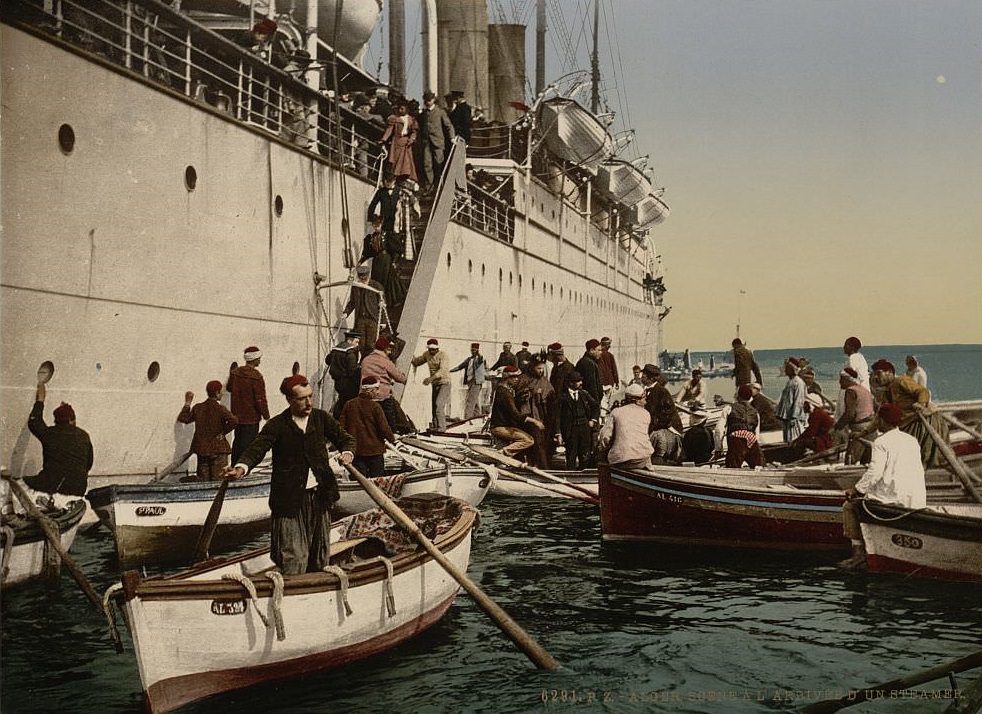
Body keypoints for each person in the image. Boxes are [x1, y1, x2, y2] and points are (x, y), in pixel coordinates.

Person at [227, 375, 354, 575]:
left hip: (320, 497)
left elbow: (345, 439)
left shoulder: (321, 419)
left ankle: (316, 591)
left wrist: (347, 453)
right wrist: (241, 467)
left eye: (310, 396)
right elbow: (257, 449)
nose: (309, 402)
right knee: (293, 557)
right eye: (302, 398)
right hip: (288, 500)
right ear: (289, 400)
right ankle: (292, 589)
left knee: (320, 554)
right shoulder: (277, 425)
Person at [839, 403, 926, 569]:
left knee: (849, 506)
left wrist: (856, 490)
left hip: (891, 498)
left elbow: (875, 472)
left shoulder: (881, 442)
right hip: (914, 499)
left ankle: (858, 554)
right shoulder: (911, 440)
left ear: (882, 421)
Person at [10, 381, 93, 510]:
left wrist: (40, 400)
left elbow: (34, 422)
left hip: (53, 485)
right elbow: (88, 464)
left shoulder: (49, 433)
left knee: (18, 484)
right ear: (73, 420)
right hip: (78, 489)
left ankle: (23, 514)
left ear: (56, 421)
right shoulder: (84, 436)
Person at [871, 359, 948, 467]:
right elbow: (880, 416)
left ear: (889, 372)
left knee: (924, 456)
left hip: (924, 423)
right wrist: (862, 433)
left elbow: (922, 391)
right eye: (874, 375)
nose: (876, 378)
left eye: (879, 373)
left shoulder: (901, 380)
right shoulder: (886, 393)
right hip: (909, 424)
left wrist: (921, 404)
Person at [177, 380, 238, 482]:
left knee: (203, 482)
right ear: (217, 393)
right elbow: (234, 421)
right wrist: (223, 433)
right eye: (221, 391)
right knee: (219, 481)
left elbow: (184, 418)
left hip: (202, 450)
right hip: (219, 450)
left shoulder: (198, 408)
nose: (222, 393)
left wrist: (188, 403)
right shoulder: (220, 409)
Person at [340, 376, 394, 478]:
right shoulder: (375, 407)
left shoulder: (349, 404)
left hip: (357, 451)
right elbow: (384, 429)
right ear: (370, 390)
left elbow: (341, 428)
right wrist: (392, 439)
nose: (378, 392)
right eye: (376, 389)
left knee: (359, 480)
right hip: (375, 452)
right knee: (377, 480)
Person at [227, 345, 270, 463]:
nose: (260, 361)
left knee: (237, 443)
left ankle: (234, 466)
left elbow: (229, 388)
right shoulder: (256, 377)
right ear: (254, 359)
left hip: (237, 417)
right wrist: (266, 416)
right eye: (259, 358)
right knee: (249, 446)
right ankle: (243, 470)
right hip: (251, 418)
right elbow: (260, 399)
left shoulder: (235, 373)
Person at [489, 365, 542, 459]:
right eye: (513, 377)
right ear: (506, 378)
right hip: (501, 428)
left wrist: (518, 399)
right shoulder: (505, 393)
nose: (517, 379)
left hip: (498, 426)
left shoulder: (503, 389)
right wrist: (535, 421)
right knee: (528, 440)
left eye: (518, 377)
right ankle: (501, 454)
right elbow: (515, 415)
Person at [597, 384, 653, 470]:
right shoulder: (646, 414)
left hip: (621, 459)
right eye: (644, 398)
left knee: (602, 458)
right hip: (642, 458)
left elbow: (605, 437)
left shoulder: (616, 412)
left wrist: (604, 449)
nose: (645, 401)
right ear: (637, 400)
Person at [360, 336, 409, 433]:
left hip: (366, 394)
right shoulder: (385, 361)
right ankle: (393, 434)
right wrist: (404, 378)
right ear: (386, 349)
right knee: (389, 418)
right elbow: (399, 377)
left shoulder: (366, 359)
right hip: (382, 395)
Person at [516, 355, 557, 468]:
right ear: (532, 367)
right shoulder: (523, 379)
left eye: (542, 368)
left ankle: (540, 465)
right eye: (538, 368)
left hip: (543, 418)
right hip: (529, 418)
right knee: (536, 444)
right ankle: (543, 467)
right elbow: (519, 402)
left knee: (545, 443)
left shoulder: (544, 381)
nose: (541, 371)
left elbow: (551, 397)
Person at [832, 367, 876, 465]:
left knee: (851, 461)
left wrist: (837, 427)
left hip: (859, 429)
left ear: (847, 379)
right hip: (871, 428)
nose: (839, 382)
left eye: (841, 379)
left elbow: (849, 414)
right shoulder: (864, 390)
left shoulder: (851, 391)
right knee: (867, 462)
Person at [556, 372, 599, 470]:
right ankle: (571, 474)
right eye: (578, 381)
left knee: (585, 454)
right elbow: (557, 417)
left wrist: (593, 419)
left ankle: (584, 472)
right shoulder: (562, 397)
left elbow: (595, 406)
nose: (580, 383)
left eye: (580, 381)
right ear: (570, 383)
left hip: (584, 428)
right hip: (570, 430)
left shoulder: (584, 394)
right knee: (571, 454)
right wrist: (558, 433)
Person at [343, 265, 385, 357]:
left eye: (364, 277)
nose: (362, 279)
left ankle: (368, 362)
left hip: (372, 319)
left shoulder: (376, 286)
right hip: (360, 320)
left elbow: (382, 305)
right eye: (361, 277)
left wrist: (382, 322)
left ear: (368, 275)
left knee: (371, 344)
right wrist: (346, 313)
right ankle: (362, 361)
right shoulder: (356, 287)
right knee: (361, 344)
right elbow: (352, 302)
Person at [410, 338, 452, 431]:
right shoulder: (426, 354)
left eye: (434, 349)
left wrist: (430, 379)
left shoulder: (443, 355)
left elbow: (442, 371)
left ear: (437, 349)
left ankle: (442, 427)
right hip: (435, 384)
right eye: (430, 349)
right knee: (434, 408)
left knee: (438, 405)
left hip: (444, 383)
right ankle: (435, 426)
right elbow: (417, 362)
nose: (432, 351)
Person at [418, 90, 456, 191]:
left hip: (438, 142)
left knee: (439, 164)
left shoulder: (440, 112)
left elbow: (448, 126)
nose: (427, 102)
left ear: (433, 100)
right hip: (426, 143)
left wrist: (452, 137)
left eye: (429, 100)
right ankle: (429, 187)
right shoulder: (424, 113)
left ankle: (439, 186)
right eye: (426, 100)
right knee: (427, 164)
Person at [725, 384, 763, 468]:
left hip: (737, 439)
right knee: (757, 466)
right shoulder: (755, 412)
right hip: (751, 439)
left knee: (732, 467)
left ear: (738, 396)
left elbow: (719, 430)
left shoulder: (729, 408)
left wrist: (718, 449)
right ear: (750, 397)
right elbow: (757, 435)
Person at [789, 393, 836, 461]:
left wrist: (796, 441)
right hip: (826, 438)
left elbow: (811, 432)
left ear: (810, 404)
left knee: (802, 443)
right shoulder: (817, 413)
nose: (803, 406)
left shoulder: (817, 414)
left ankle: (796, 460)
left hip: (826, 440)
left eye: (805, 404)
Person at [379, 102, 418, 182]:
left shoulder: (411, 120)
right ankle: (395, 177)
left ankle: (405, 177)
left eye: (402, 109)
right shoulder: (395, 119)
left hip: (406, 143)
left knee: (406, 162)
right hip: (397, 142)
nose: (400, 110)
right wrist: (384, 139)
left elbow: (414, 131)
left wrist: (412, 139)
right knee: (396, 161)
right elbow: (389, 130)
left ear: (406, 110)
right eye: (399, 109)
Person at [328, 330, 362, 418]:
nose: (357, 344)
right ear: (350, 341)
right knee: (347, 402)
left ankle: (337, 417)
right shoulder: (350, 352)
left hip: (337, 380)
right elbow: (352, 370)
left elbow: (327, 360)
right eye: (356, 342)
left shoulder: (336, 349)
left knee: (341, 400)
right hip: (347, 382)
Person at [640, 364, 683, 433]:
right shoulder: (646, 390)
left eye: (644, 375)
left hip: (669, 429)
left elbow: (667, 414)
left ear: (651, 378)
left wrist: (652, 428)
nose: (641, 376)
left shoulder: (662, 392)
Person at [449, 342, 486, 420]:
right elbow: (459, 367)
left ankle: (467, 418)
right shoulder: (469, 359)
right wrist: (449, 371)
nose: (473, 351)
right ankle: (477, 417)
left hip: (476, 382)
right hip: (470, 382)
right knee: (474, 401)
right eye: (472, 350)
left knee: (470, 401)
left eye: (475, 350)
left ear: (477, 350)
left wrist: (478, 353)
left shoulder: (479, 358)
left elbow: (480, 360)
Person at [775, 357, 808, 443]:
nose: (785, 370)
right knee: (787, 439)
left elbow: (798, 401)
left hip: (793, 418)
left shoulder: (798, 383)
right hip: (787, 417)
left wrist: (794, 416)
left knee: (793, 439)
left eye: (787, 368)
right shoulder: (790, 382)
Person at [576, 339, 604, 405]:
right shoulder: (588, 364)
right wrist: (595, 404)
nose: (601, 352)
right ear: (591, 350)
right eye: (599, 350)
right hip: (590, 404)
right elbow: (591, 387)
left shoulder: (589, 362)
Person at [598, 336, 620, 405]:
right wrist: (617, 382)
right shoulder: (610, 356)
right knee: (607, 401)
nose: (610, 346)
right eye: (609, 344)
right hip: (609, 382)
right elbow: (614, 370)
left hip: (600, 382)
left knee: (601, 401)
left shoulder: (597, 355)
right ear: (606, 345)